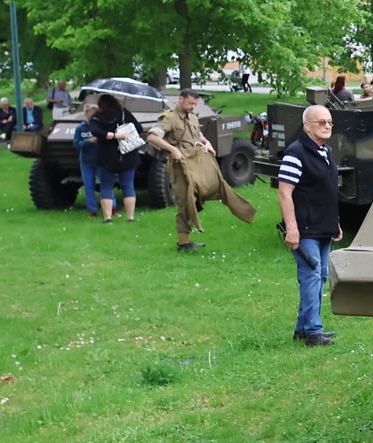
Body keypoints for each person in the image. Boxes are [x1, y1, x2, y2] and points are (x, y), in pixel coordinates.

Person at [146, 89, 256, 253]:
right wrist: (172, 149)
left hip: (197, 163)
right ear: (180, 99)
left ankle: (245, 212)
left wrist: (207, 142)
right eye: (190, 103)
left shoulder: (193, 117)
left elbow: (197, 135)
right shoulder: (169, 118)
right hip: (180, 166)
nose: (192, 106)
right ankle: (183, 243)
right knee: (185, 201)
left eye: (195, 104)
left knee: (211, 189)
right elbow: (152, 137)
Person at [277, 105, 342, 345]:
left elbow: (326, 191)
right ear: (306, 126)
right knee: (311, 276)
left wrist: (335, 222)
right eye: (321, 122)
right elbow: (285, 193)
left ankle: (303, 328)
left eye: (329, 122)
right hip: (305, 229)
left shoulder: (325, 151)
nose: (327, 126)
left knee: (320, 276)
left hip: (324, 227)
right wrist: (292, 228)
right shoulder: (296, 153)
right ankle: (313, 331)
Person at [90, 93, 141, 223]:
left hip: (106, 156)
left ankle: (107, 218)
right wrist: (123, 132)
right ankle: (130, 217)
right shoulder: (124, 113)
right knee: (128, 186)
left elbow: (95, 131)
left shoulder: (97, 117)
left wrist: (111, 135)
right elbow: (139, 128)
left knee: (106, 186)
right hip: (128, 154)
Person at [74, 101, 101, 218]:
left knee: (106, 184)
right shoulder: (80, 128)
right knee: (88, 185)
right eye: (91, 114)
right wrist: (88, 141)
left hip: (101, 160)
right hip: (86, 161)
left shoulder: (100, 126)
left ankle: (112, 207)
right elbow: (76, 144)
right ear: (86, 114)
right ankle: (92, 210)